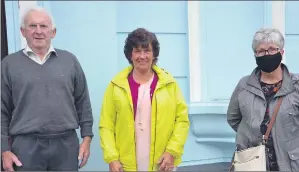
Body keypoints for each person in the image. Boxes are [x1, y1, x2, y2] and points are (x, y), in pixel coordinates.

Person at [1, 6, 93, 171]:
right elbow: (1, 110)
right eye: (32, 26)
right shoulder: (9, 65)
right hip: (25, 147)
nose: (38, 31)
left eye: (43, 26)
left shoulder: (69, 61)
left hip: (65, 146)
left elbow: (83, 102)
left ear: (53, 32)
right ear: (23, 31)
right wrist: (4, 150)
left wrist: (86, 138)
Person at [99, 28, 190, 171]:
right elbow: (106, 126)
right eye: (137, 51)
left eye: (147, 50)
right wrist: (112, 158)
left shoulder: (169, 84)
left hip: (162, 164)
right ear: (130, 54)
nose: (142, 56)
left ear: (154, 54)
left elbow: (182, 120)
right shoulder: (115, 85)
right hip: (125, 166)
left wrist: (172, 151)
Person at [227, 28, 299, 171]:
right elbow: (233, 118)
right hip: (252, 163)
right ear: (255, 54)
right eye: (261, 51)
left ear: (282, 52)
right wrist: (251, 134)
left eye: (272, 49)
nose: (267, 54)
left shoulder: (296, 86)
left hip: (289, 164)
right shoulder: (244, 85)